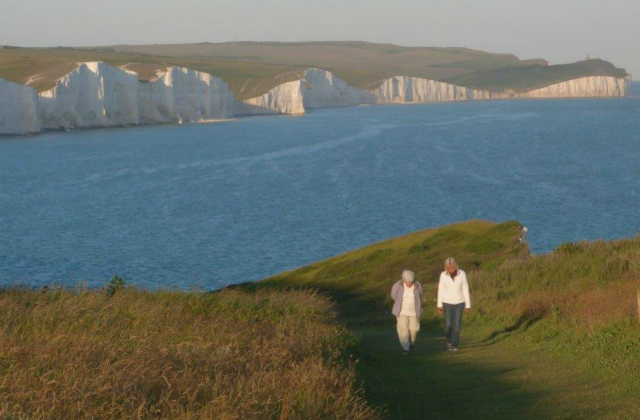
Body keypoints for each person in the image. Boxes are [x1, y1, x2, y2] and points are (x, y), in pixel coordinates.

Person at [437, 257, 470, 351]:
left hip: (459, 303)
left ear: (456, 266)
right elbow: (441, 290)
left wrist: (468, 305)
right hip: (447, 303)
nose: (451, 270)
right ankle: (449, 341)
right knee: (448, 325)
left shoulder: (462, 274)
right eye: (448, 268)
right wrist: (439, 304)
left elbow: (465, 288)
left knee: (457, 325)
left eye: (452, 267)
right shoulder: (443, 275)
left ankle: (454, 345)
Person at [391, 270, 423, 355]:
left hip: (414, 312)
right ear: (403, 280)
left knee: (414, 329)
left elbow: (420, 295)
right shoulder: (397, 285)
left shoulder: (418, 285)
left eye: (411, 282)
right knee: (403, 330)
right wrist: (399, 302)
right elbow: (393, 295)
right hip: (402, 312)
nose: (409, 284)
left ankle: (411, 344)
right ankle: (406, 348)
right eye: (407, 282)